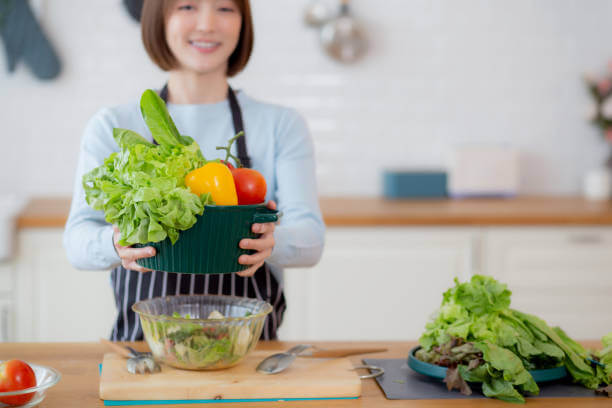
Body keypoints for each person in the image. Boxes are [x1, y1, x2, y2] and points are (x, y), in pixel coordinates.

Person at [63, 0, 325, 342]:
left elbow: (312, 239)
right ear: (159, 19)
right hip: (144, 354)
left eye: (225, 9)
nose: (206, 24)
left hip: (247, 355)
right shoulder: (113, 125)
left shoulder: (281, 125)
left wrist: (272, 242)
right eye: (187, 6)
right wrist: (114, 244)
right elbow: (76, 240)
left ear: (243, 23)